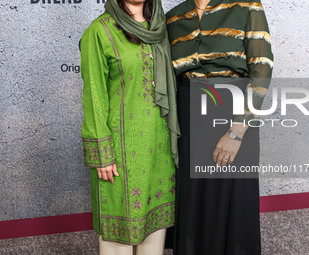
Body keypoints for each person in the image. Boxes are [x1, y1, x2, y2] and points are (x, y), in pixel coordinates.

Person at [166, 0, 274, 254]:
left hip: (234, 116)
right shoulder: (173, 17)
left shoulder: (247, 6)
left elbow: (261, 68)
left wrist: (237, 131)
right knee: (193, 202)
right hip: (188, 119)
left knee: (233, 205)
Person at [79, 0, 180, 254]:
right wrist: (102, 154)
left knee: (154, 239)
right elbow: (94, 96)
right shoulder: (100, 31)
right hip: (120, 151)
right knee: (117, 241)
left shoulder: (161, 27)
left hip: (159, 148)